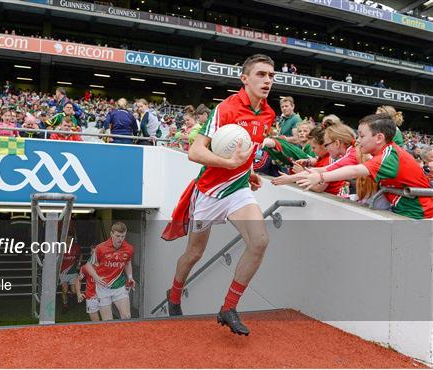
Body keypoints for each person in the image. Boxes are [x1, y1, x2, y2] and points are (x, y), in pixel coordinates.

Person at [162, 54, 276, 336]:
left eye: (271, 76)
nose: (267, 81)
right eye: (261, 74)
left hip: (238, 190)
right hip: (210, 192)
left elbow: (246, 149)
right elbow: (195, 152)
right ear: (245, 79)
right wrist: (230, 164)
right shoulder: (225, 109)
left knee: (259, 241)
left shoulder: (268, 114)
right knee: (194, 254)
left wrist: (246, 171)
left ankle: (228, 308)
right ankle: (174, 294)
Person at [296, 114, 433, 219]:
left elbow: (355, 170)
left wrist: (320, 176)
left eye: (361, 136)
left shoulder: (389, 156)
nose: (358, 141)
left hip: (419, 215)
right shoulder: (384, 153)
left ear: (379, 138)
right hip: (407, 212)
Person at [85, 222, 135, 321]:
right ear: (111, 234)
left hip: (120, 286)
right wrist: (96, 277)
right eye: (117, 236)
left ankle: (123, 336)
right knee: (108, 322)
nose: (120, 239)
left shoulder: (129, 248)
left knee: (126, 317)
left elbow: (128, 262)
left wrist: (130, 277)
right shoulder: (100, 248)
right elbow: (88, 265)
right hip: (103, 288)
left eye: (123, 236)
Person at [59, 239, 82, 314]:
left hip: (73, 272)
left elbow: (80, 254)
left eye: (70, 237)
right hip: (63, 272)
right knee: (64, 290)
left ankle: (71, 298)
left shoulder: (76, 247)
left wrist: (79, 263)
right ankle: (65, 305)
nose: (69, 239)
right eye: (67, 237)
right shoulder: (61, 247)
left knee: (74, 291)